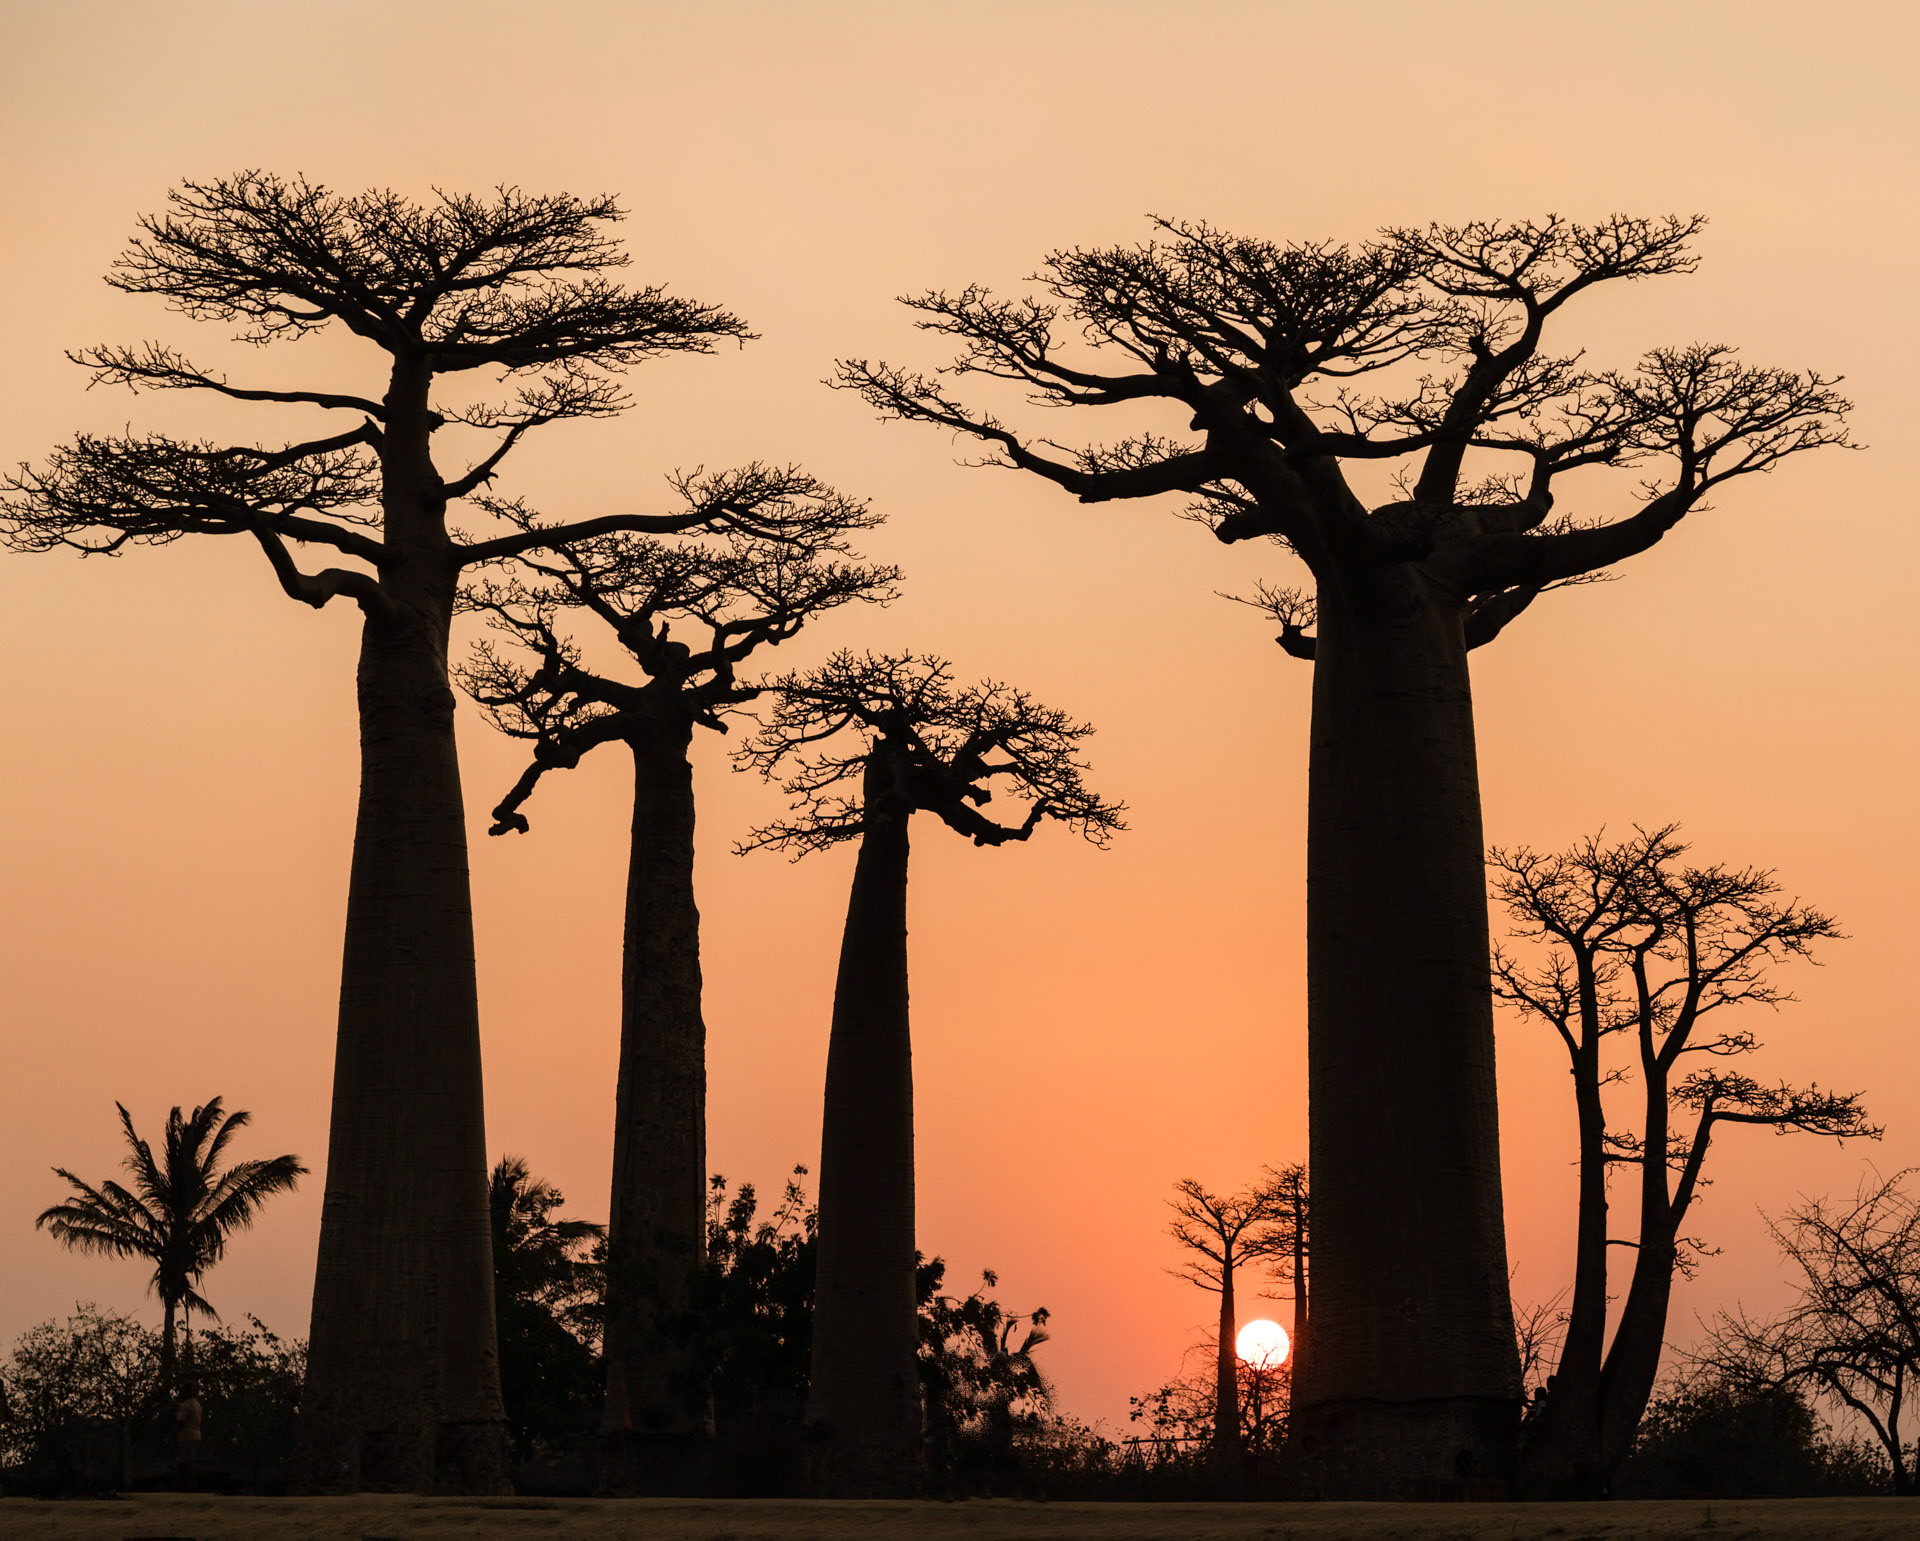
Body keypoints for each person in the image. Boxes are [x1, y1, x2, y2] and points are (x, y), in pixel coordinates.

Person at [175, 1381, 203, 1490]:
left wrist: (170, 1435)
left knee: (185, 1461)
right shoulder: (197, 1404)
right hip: (196, 1435)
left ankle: (186, 1486)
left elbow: (181, 1422)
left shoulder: (186, 1405)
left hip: (186, 1435)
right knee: (190, 1460)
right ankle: (190, 1485)